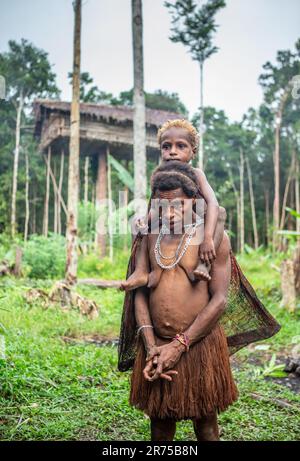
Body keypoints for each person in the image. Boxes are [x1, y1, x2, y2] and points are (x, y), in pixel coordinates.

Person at [128, 162, 238, 441]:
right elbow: (139, 294)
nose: (171, 213)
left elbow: (220, 301)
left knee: (206, 425)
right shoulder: (148, 237)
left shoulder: (213, 242)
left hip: (199, 346)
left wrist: (179, 346)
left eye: (179, 204)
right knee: (161, 426)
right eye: (163, 206)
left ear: (195, 201)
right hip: (157, 344)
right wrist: (152, 346)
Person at [120, 119, 225, 291]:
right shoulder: (161, 175)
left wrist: (207, 238)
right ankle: (141, 270)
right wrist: (144, 222)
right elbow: (154, 208)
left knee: (220, 212)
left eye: (181, 146)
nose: (172, 152)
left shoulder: (196, 174)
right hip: (170, 221)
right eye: (166, 147)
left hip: (196, 223)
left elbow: (212, 203)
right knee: (136, 222)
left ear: (193, 151)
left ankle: (204, 264)